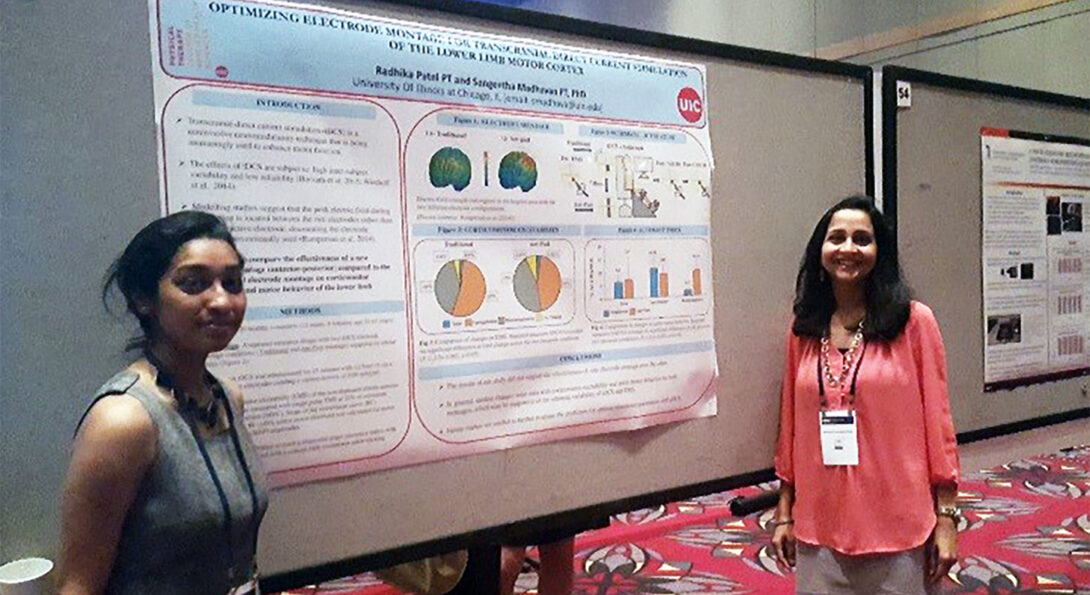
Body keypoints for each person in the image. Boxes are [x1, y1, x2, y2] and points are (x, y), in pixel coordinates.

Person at [58, 211, 268, 595]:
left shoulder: (227, 398)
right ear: (143, 300)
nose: (222, 300)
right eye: (194, 284)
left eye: (233, 282)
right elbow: (79, 586)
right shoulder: (124, 419)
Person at [771, 196, 960, 594]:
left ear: (880, 252)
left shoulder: (913, 323)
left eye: (862, 239)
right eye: (836, 237)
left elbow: (938, 423)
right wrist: (785, 512)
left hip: (898, 525)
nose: (848, 249)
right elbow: (791, 427)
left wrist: (946, 517)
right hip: (818, 525)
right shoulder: (804, 328)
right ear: (820, 250)